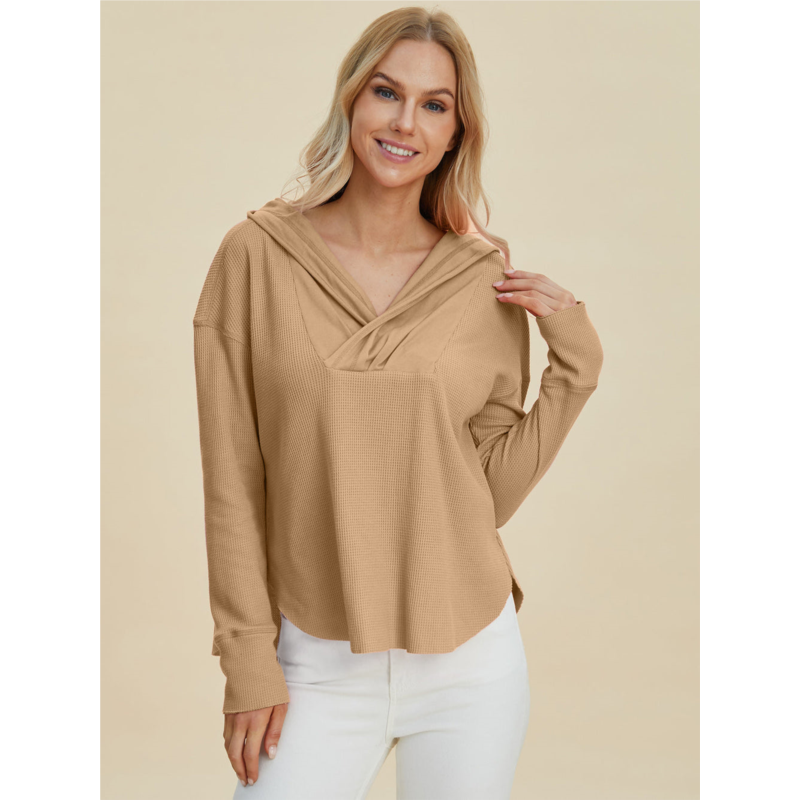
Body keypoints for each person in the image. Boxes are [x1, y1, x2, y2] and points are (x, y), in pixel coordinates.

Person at [192, 7, 604, 799]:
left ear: (455, 133)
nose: (404, 122)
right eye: (387, 92)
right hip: (316, 660)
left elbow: (483, 494)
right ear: (352, 99)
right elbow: (232, 478)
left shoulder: (478, 275)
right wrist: (246, 656)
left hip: (470, 663)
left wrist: (576, 365)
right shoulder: (257, 257)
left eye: (434, 104)